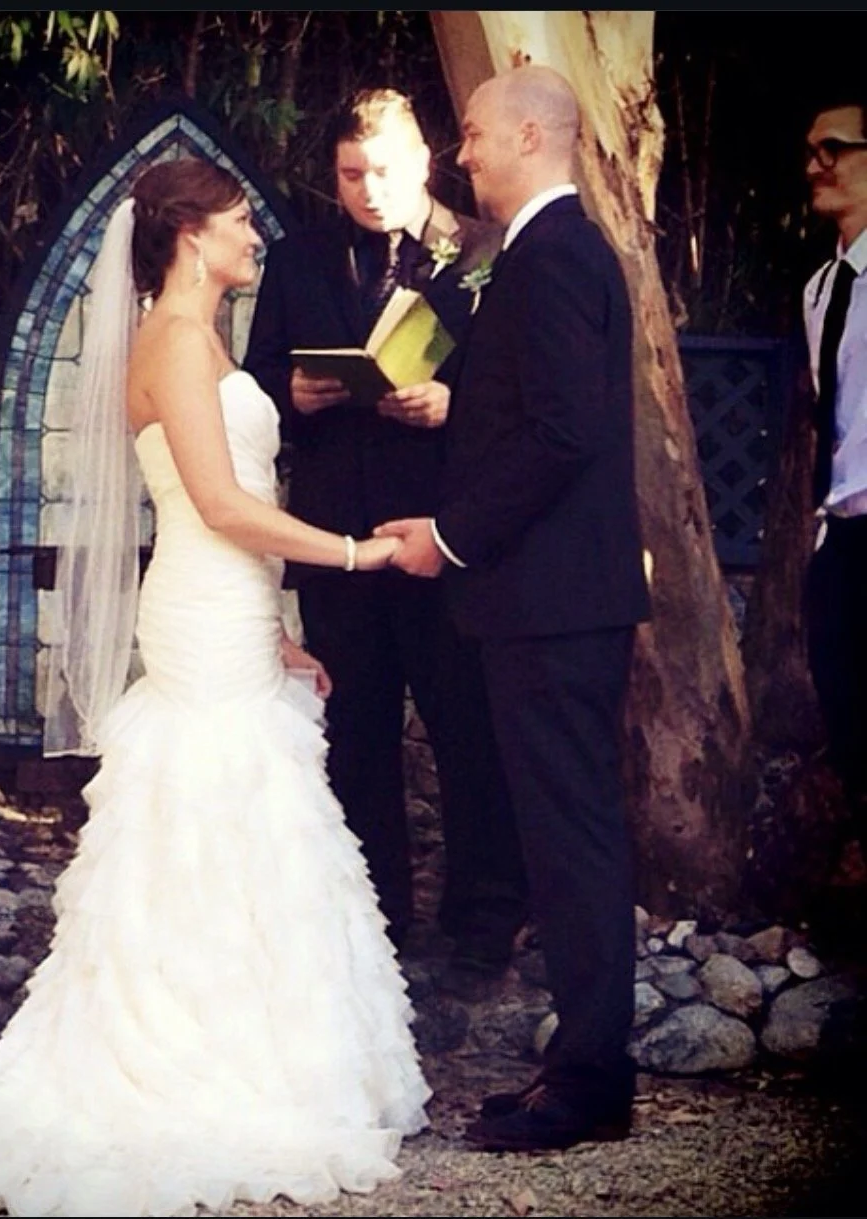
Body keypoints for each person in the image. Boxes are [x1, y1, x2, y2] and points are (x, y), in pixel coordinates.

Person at [0, 159, 431, 1217]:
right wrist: (358, 556)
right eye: (243, 222)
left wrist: (281, 628)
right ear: (194, 233)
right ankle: (183, 1056)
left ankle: (254, 1047)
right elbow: (221, 506)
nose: (258, 238)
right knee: (204, 814)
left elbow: (230, 509)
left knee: (253, 821)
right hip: (202, 613)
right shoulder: (171, 344)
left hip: (233, 609)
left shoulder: (204, 340)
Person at [378, 64, 652, 1152]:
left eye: (479, 134)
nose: (465, 153)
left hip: (552, 605)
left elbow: (561, 435)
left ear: (534, 137)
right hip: (543, 603)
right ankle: (576, 1069)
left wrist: (447, 540)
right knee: (560, 836)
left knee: (574, 840)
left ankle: (589, 1082)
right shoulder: (537, 257)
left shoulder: (554, 258)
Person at [244, 87, 528, 987]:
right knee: (354, 730)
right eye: (350, 173)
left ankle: (487, 915)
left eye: (384, 171)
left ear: (426, 162)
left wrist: (455, 403)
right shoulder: (297, 261)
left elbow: (528, 396)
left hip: (446, 533)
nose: (367, 189)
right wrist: (295, 395)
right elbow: (253, 388)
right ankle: (375, 914)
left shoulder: (485, 251)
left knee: (466, 726)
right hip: (335, 536)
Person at [801, 92, 867, 860]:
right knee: (849, 728)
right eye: (811, 150)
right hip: (842, 539)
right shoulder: (822, 287)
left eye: (836, 148)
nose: (816, 164)